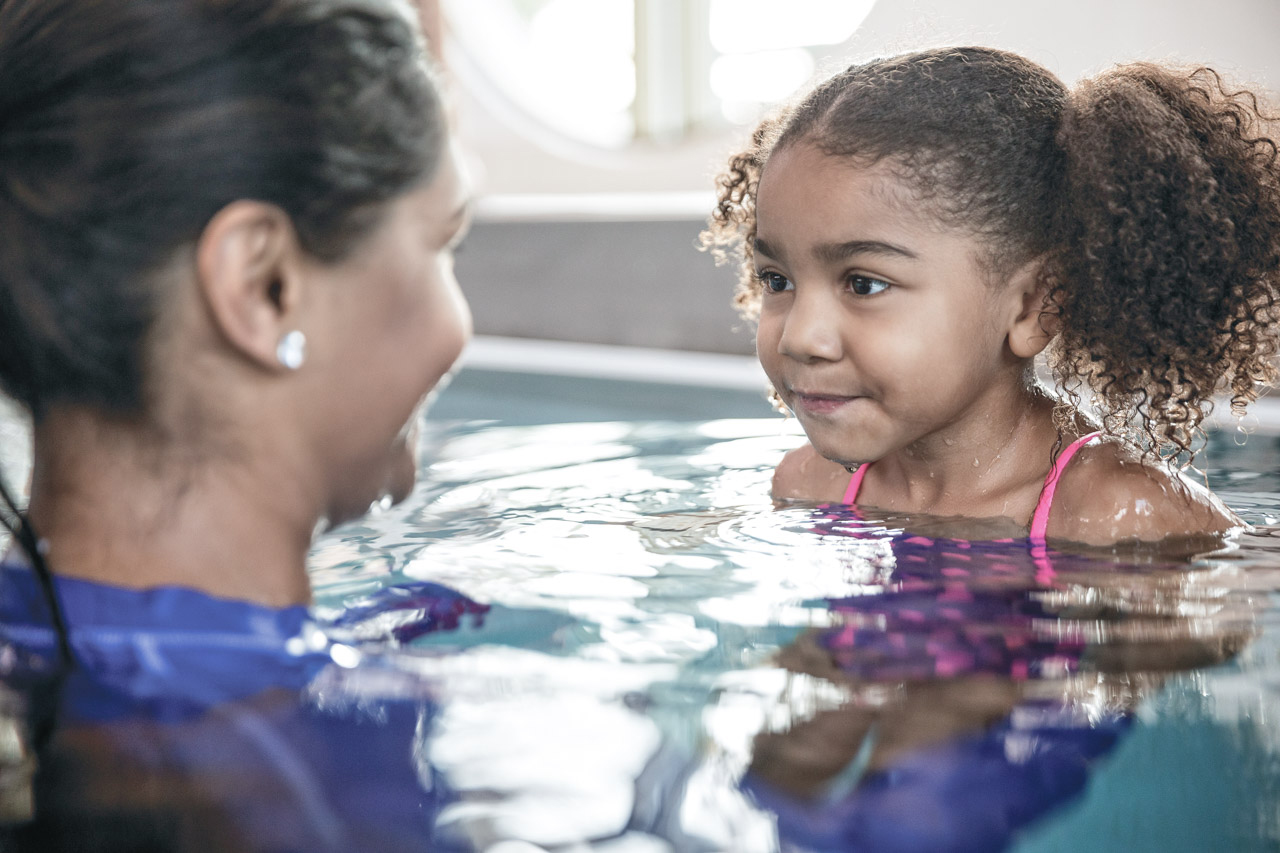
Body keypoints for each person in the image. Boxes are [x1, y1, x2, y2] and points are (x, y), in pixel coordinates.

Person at [0, 0, 476, 847]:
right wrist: (791, 780)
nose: (459, 325)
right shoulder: (277, 780)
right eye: (443, 243)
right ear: (265, 287)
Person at [702, 47, 1280, 546]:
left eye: (864, 283)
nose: (800, 336)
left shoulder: (1119, 516)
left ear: (1035, 306)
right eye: (777, 280)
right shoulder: (808, 487)